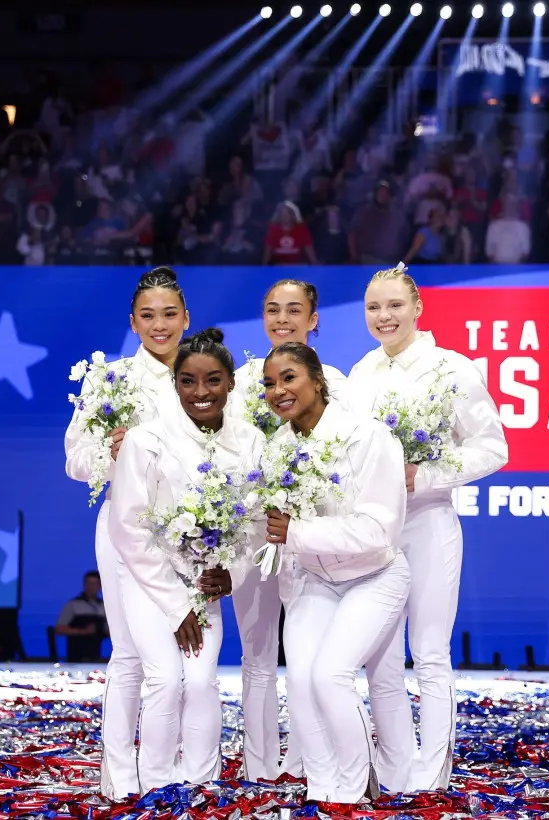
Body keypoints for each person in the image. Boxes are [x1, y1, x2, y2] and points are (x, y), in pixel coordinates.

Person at [63, 267, 226, 800]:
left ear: (187, 319)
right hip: (125, 531)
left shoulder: (205, 373)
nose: (160, 326)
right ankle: (120, 776)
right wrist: (109, 455)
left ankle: (191, 771)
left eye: (170, 315)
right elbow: (74, 459)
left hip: (197, 538)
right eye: (148, 316)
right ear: (133, 322)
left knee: (191, 665)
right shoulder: (109, 380)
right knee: (131, 655)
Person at [348, 265, 509, 792]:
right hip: (376, 530)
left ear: (418, 307)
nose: (384, 316)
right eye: (374, 307)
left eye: (394, 305)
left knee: (431, 652)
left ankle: (431, 776)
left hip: (430, 521)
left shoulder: (451, 370)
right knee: (383, 660)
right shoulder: (361, 374)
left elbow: (493, 448)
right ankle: (395, 770)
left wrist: (426, 474)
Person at [107, 328, 264, 793]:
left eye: (213, 381)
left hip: (205, 585)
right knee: (163, 679)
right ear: (175, 383)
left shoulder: (251, 441)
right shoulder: (145, 440)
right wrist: (176, 607)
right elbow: (128, 528)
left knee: (200, 682)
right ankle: (155, 787)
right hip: (149, 580)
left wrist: (233, 573)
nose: (201, 393)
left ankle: (200, 786)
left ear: (231, 383)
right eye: (188, 382)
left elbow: (256, 520)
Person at [261, 342, 411, 807]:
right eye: (269, 383)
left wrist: (298, 531)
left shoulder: (367, 436)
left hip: (375, 575)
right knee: (302, 680)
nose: (278, 390)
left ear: (318, 379)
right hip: (313, 579)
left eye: (289, 378)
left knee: (330, 675)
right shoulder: (278, 448)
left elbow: (377, 531)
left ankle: (353, 788)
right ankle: (323, 789)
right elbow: (272, 529)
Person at [224, 278, 349, 782]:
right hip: (252, 536)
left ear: (314, 318)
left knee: (306, 658)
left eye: (294, 309)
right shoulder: (241, 380)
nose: (282, 318)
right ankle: (259, 766)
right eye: (272, 309)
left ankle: (305, 762)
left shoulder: (336, 381)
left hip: (309, 540)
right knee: (256, 655)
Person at [55, 570, 108, 663]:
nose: (91, 587)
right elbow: (59, 629)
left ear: (100, 586)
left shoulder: (104, 606)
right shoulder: (73, 605)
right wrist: (83, 632)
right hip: (76, 655)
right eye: (89, 583)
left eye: (94, 584)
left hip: (98, 655)